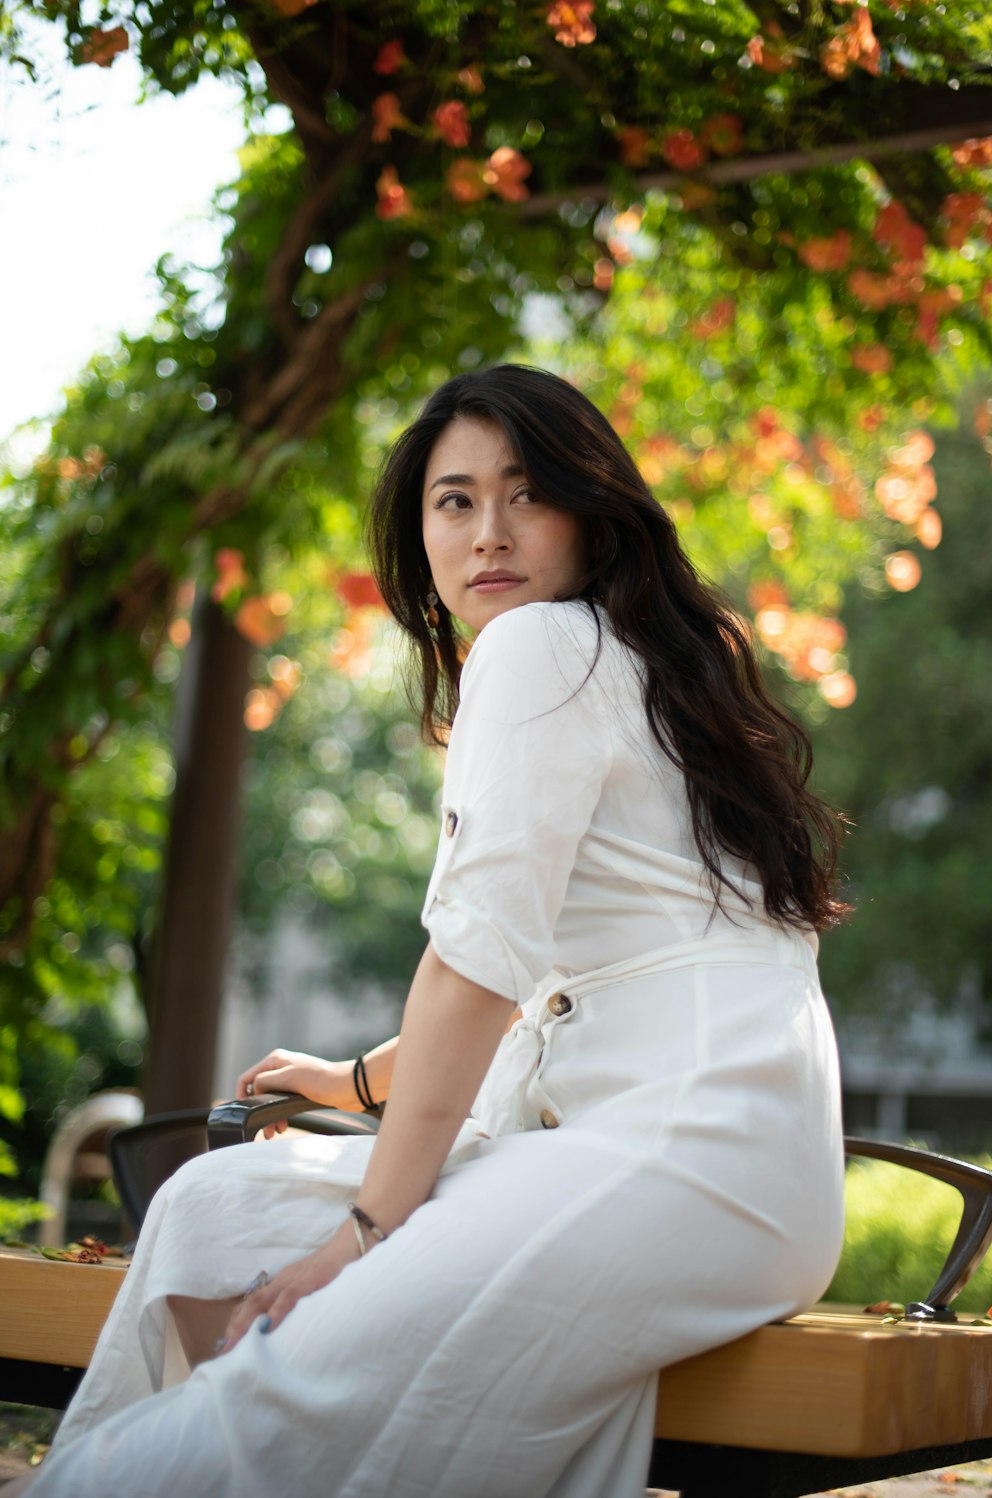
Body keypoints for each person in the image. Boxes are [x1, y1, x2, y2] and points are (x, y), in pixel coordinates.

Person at [16, 364, 848, 1498]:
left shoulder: (541, 647)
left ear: (589, 511)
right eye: (454, 501)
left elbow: (477, 969)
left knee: (287, 1384)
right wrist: (355, 1080)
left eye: (525, 494)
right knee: (215, 1207)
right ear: (419, 530)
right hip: (717, 1153)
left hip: (685, 1153)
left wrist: (365, 1227)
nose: (488, 533)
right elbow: (573, 979)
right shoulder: (640, 665)